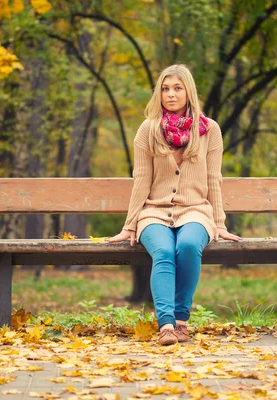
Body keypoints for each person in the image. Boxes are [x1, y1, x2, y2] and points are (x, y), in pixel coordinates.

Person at [107, 64, 242, 345]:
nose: (171, 94)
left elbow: (213, 178)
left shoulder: (209, 131)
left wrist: (219, 223)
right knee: (164, 251)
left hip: (195, 210)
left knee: (189, 246)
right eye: (165, 89)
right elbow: (141, 179)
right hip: (154, 212)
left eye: (177, 88)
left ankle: (181, 322)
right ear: (159, 93)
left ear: (188, 92)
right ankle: (166, 326)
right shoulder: (148, 130)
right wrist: (130, 224)